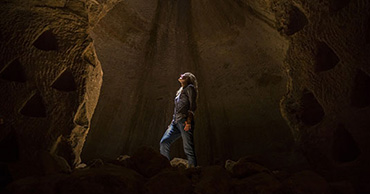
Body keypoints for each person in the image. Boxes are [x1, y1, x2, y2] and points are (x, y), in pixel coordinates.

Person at [160, 72, 198, 167]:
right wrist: (172, 123)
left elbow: (193, 105)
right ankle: (165, 167)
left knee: (188, 148)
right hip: (175, 122)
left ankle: (192, 169)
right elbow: (177, 109)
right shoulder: (180, 91)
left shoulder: (190, 88)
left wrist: (189, 121)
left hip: (184, 121)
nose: (181, 75)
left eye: (184, 76)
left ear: (188, 79)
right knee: (164, 142)